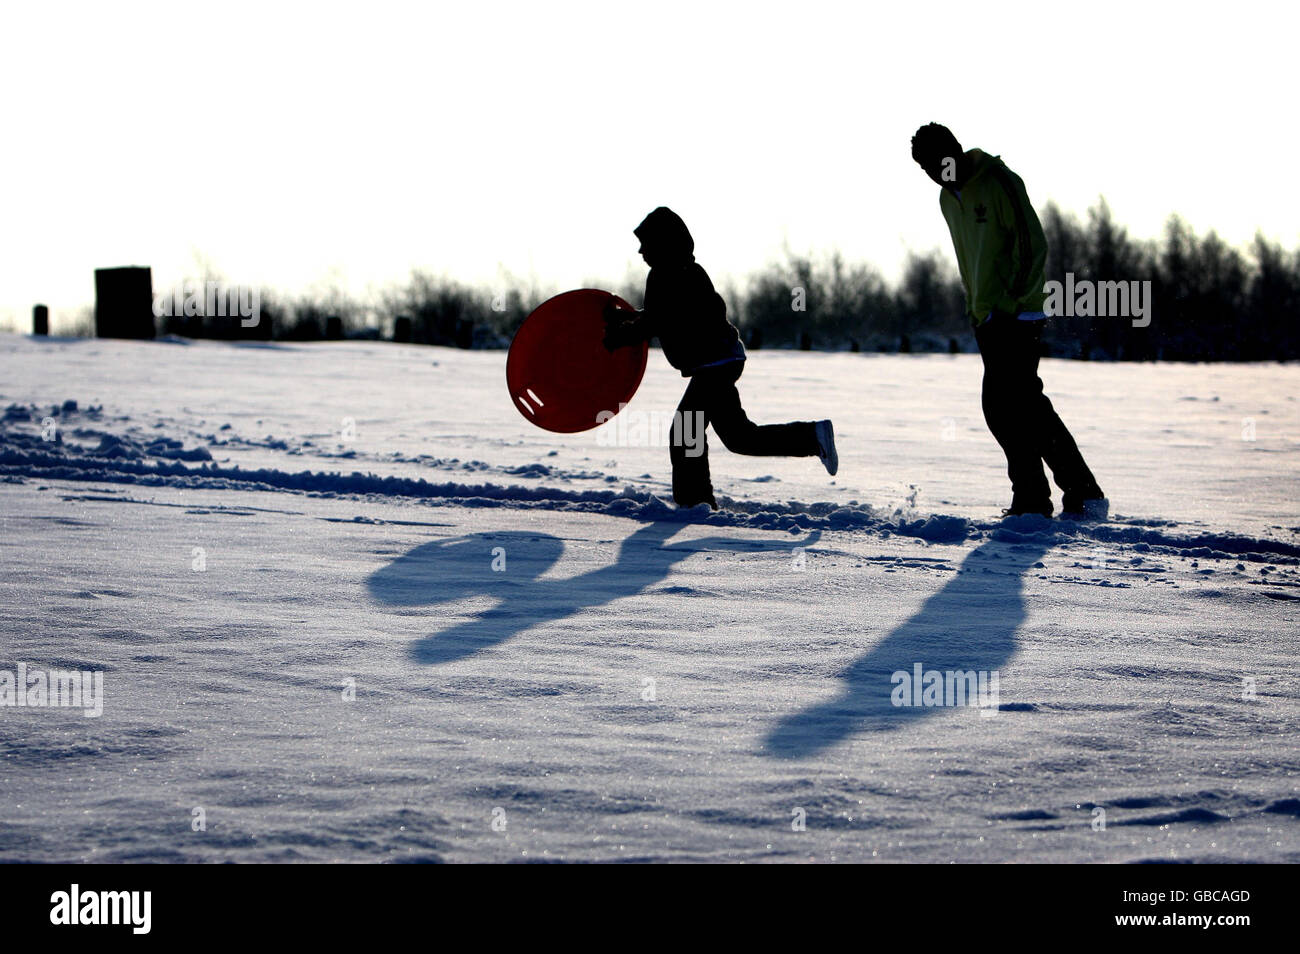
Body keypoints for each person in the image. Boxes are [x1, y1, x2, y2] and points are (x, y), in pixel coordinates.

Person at [910, 123, 1106, 519]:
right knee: (1018, 405)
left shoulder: (998, 180)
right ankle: (1052, 495)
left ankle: (1063, 495)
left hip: (1018, 312)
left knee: (1011, 405)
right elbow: (970, 258)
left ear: (956, 151)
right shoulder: (948, 199)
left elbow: (1032, 243)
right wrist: (976, 306)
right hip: (988, 315)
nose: (935, 174)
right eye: (927, 169)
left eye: (937, 163)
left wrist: (1011, 301)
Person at [603, 206, 837, 510]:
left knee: (685, 429)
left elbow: (659, 320)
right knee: (739, 438)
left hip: (714, 363)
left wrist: (620, 335)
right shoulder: (683, 270)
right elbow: (669, 314)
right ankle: (811, 436)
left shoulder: (666, 273)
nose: (640, 250)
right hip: (719, 360)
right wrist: (631, 317)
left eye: (646, 243)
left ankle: (694, 504)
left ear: (663, 243)